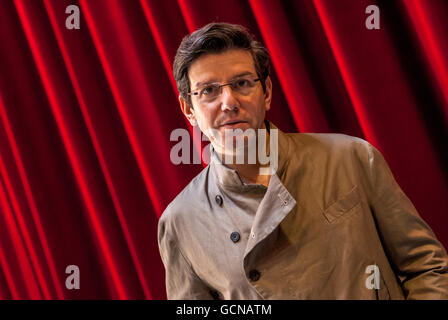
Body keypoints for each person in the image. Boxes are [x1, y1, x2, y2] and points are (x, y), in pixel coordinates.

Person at [158, 22, 448, 299]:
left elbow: (427, 267)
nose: (229, 102)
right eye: (209, 90)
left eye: (242, 83)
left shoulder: (350, 158)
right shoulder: (181, 221)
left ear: (267, 92)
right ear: (189, 109)